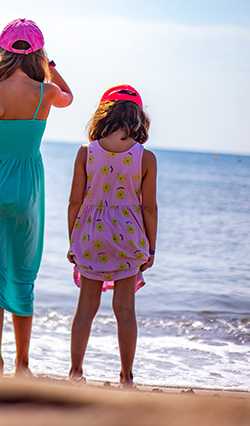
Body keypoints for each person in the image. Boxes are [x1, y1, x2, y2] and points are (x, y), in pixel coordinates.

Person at [0, 18, 73, 377]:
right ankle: (23, 365)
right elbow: (70, 97)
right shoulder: (47, 93)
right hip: (27, 191)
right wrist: (51, 68)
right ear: (38, 53)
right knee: (22, 277)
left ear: (2, 51)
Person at [66, 84, 157, 388]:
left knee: (86, 308)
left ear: (103, 113)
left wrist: (73, 241)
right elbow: (150, 207)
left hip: (91, 234)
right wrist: (152, 249)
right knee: (125, 309)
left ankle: (76, 372)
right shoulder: (145, 157)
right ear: (138, 117)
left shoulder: (86, 152)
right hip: (128, 235)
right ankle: (126, 377)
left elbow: (75, 202)